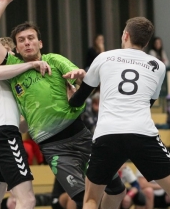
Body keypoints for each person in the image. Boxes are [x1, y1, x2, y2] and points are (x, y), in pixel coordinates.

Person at [0, 0, 126, 209]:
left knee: (117, 191)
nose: (27, 42)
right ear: (16, 48)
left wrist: (80, 78)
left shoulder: (54, 59)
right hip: (53, 147)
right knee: (82, 198)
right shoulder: (13, 66)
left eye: (31, 38)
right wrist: (4, 1)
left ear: (40, 43)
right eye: (21, 40)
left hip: (80, 134)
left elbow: (83, 82)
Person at [64, 16, 170, 209]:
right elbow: (148, 103)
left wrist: (72, 93)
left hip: (107, 134)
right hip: (142, 133)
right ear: (146, 42)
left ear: (125, 35)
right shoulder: (159, 66)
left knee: (91, 200)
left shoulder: (104, 57)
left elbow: (79, 101)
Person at [0, 37, 51, 209]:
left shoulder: (7, 85)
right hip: (4, 135)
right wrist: (32, 64)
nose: (10, 55)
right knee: (28, 200)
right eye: (6, 51)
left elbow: (21, 125)